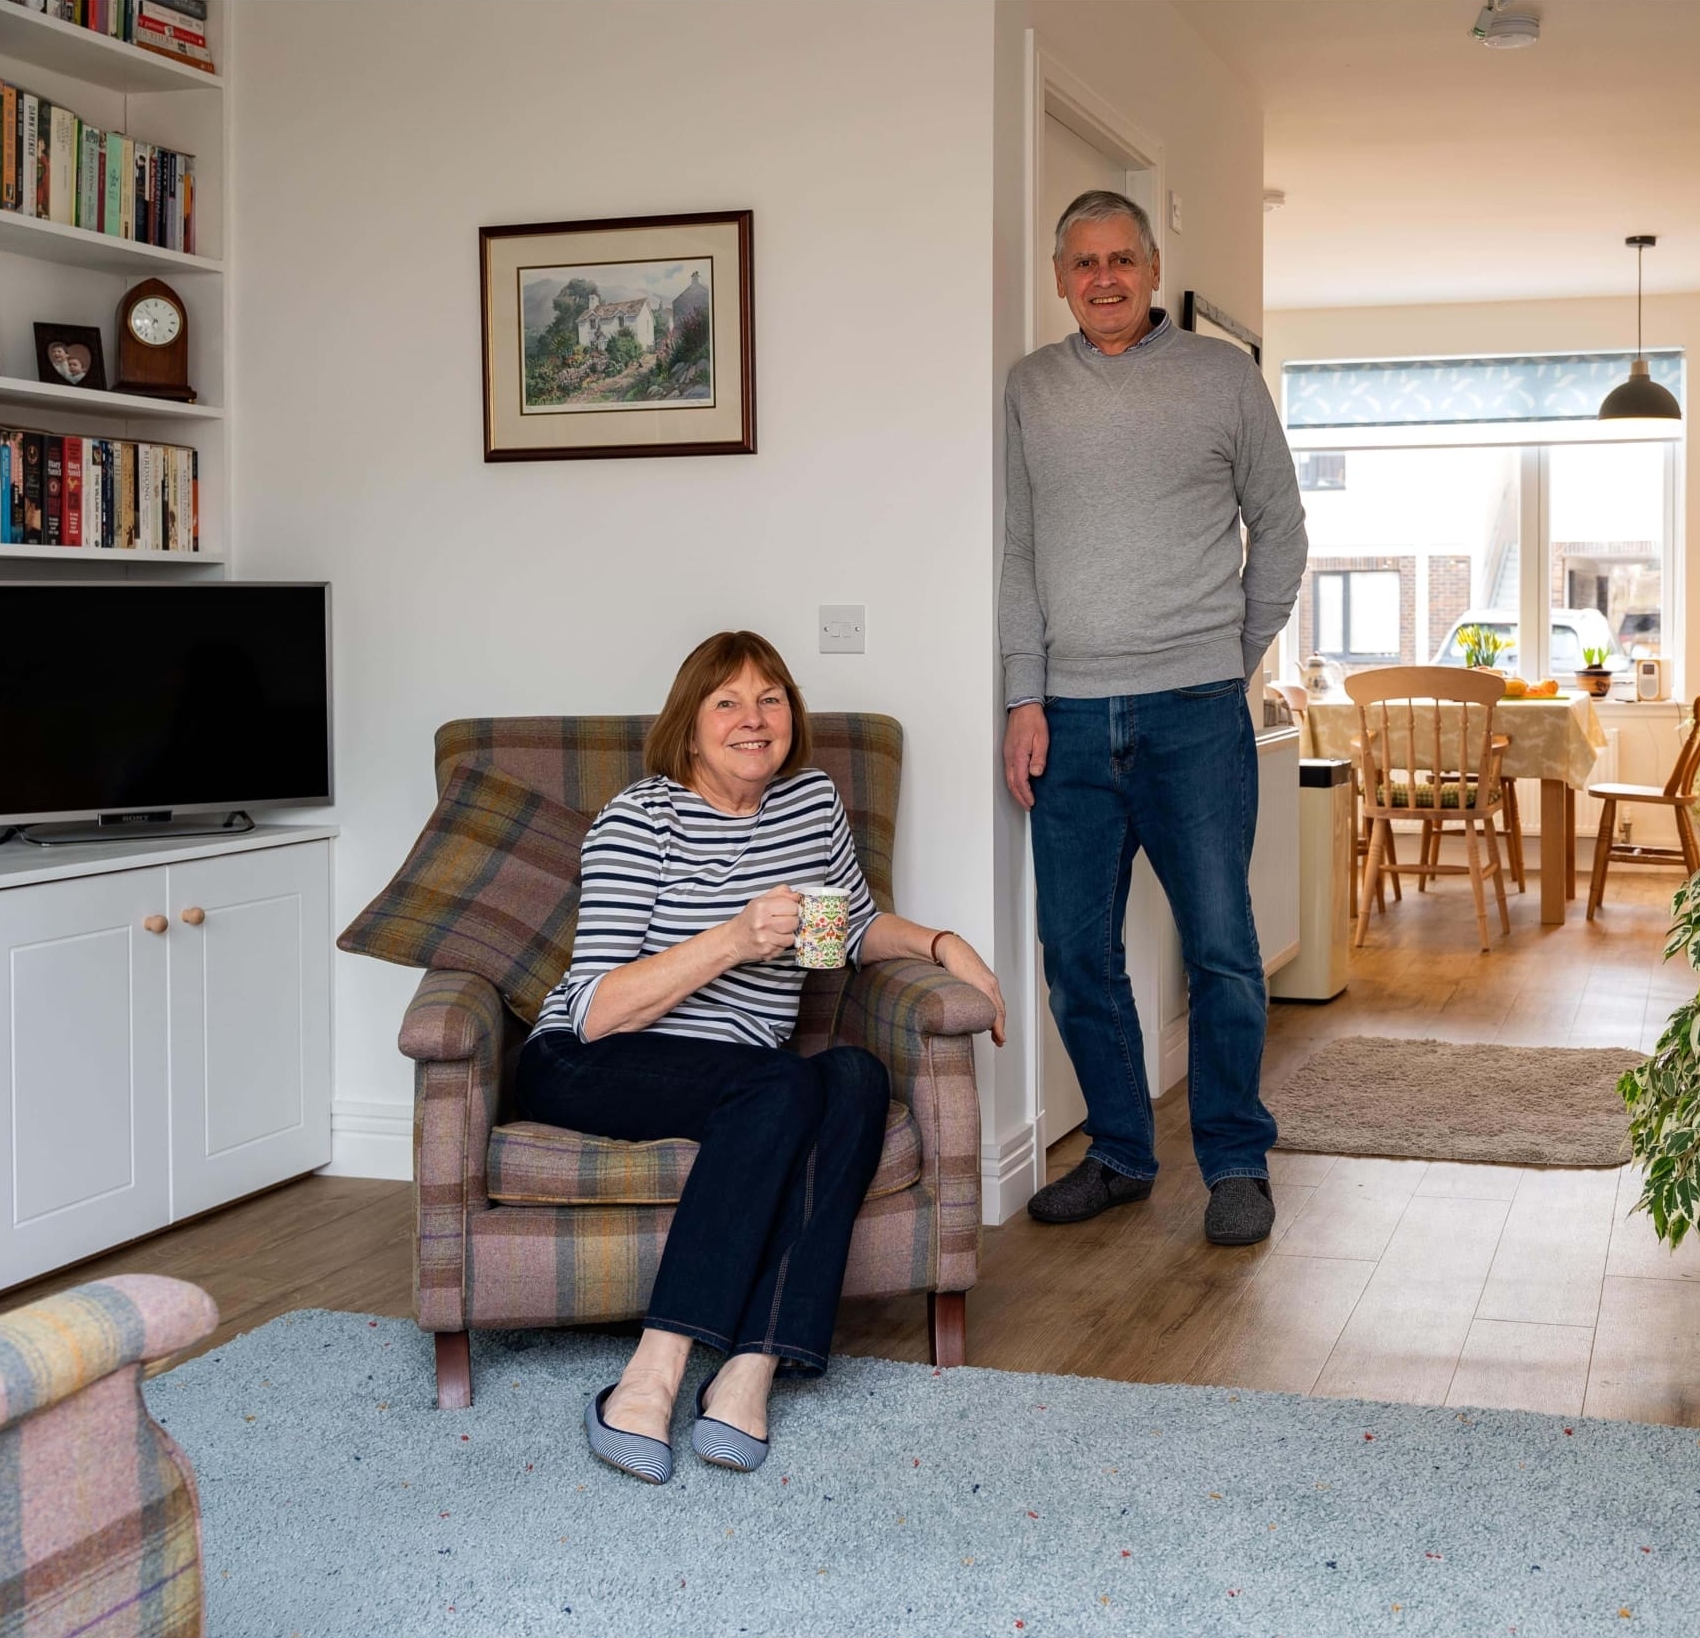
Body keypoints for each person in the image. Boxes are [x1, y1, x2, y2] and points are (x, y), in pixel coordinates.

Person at [523, 630, 1005, 1484]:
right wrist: (733, 939)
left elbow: (845, 929)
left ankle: (752, 1366)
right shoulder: (641, 817)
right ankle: (653, 1373)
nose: (754, 719)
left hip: (746, 1078)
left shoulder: (810, 803)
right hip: (591, 1060)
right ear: (689, 725)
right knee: (784, 1081)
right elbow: (598, 1009)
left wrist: (940, 942)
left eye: (770, 698)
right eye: (727, 702)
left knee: (854, 1074)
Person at [1000, 190, 1309, 1246]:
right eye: (1082, 262)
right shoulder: (1032, 387)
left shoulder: (1223, 378)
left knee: (1221, 948)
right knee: (1075, 956)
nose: (1103, 278)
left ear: (1151, 263)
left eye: (1121, 259)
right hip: (1070, 724)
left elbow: (1282, 527)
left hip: (1194, 715)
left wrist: (1236, 656)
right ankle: (1123, 1154)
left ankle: (1234, 1162)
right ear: (1059, 277)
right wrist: (1022, 695)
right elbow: (1018, 557)